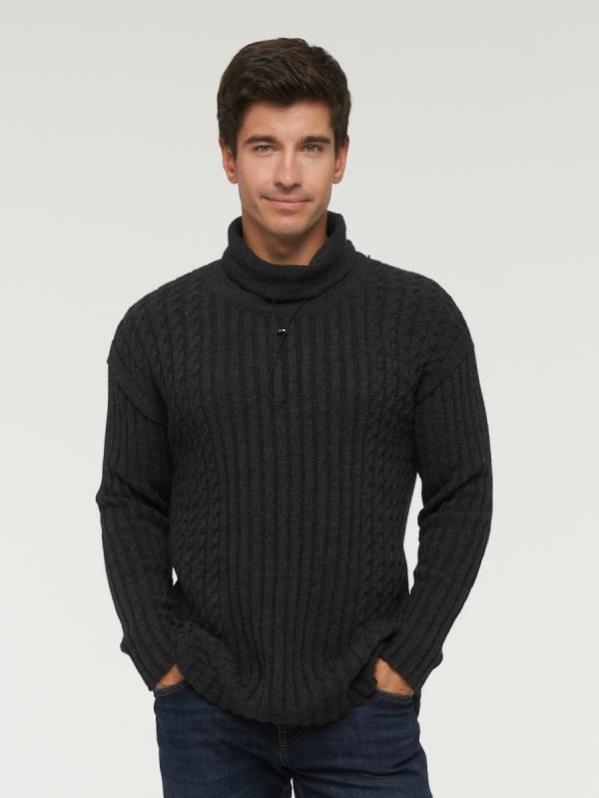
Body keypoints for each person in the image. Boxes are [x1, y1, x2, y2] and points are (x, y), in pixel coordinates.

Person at [95, 36, 493, 798]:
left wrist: (407, 661)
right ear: (227, 158)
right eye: (263, 147)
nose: (286, 174)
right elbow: (130, 501)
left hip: (365, 709)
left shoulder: (419, 319)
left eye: (310, 146)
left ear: (341, 157)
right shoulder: (156, 328)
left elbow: (463, 494)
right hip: (206, 711)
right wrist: (162, 662)